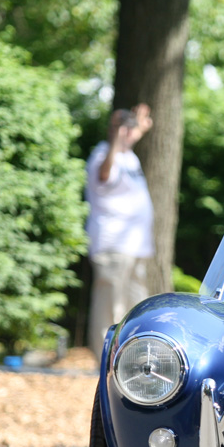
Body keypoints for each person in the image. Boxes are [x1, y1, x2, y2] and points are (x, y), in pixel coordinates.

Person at [85, 103, 154, 360]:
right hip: (113, 246)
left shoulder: (129, 156)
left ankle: (130, 364)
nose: (129, 133)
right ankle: (105, 364)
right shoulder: (104, 153)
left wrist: (137, 124)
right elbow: (104, 175)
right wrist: (115, 136)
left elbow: (130, 136)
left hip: (136, 247)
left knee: (137, 308)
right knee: (110, 310)